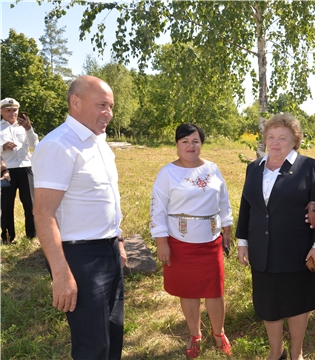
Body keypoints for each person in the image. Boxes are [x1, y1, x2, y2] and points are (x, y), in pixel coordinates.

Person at [32, 75, 127, 360]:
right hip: (80, 257)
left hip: (109, 249)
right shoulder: (59, 145)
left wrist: (118, 241)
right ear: (76, 102)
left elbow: (104, 199)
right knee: (92, 346)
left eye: (110, 107)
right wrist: (60, 273)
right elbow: (43, 212)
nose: (108, 113)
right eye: (102, 105)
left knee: (112, 335)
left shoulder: (99, 142)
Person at [236, 113, 315, 360]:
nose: (275, 143)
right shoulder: (254, 168)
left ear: (294, 141)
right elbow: (247, 207)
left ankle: (297, 353)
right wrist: (242, 241)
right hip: (262, 250)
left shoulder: (308, 166)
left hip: (296, 250)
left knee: (297, 303)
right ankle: (276, 352)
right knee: (269, 304)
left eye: (282, 138)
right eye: (271, 137)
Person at [150, 123, 233, 359]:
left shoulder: (213, 169)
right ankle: (195, 334)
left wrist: (227, 229)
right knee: (189, 292)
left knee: (215, 291)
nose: (190, 145)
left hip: (210, 241)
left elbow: (224, 201)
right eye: (184, 141)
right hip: (180, 242)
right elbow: (157, 209)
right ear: (176, 144)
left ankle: (219, 333)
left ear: (201, 144)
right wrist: (161, 242)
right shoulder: (167, 173)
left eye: (195, 141)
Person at [0, 97, 39, 243]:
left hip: (25, 167)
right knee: (6, 204)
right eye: (8, 110)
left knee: (30, 203)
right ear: (1, 112)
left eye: (14, 110)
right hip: (6, 169)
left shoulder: (24, 126)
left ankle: (32, 235)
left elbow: (36, 144)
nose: (12, 113)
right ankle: (8, 237)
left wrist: (29, 128)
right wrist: (2, 147)